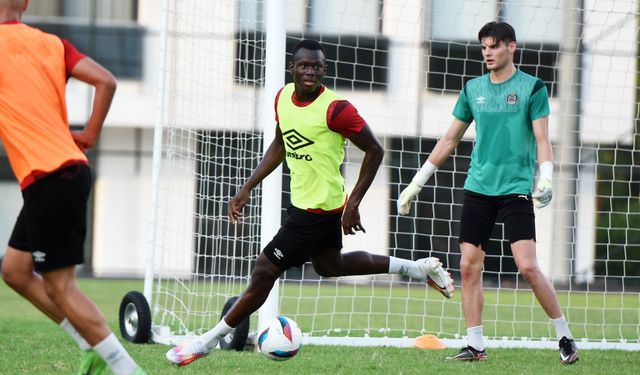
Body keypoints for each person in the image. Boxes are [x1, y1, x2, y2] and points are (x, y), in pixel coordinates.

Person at [165, 39, 455, 366]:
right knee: (330, 265)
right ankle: (417, 269)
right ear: (293, 68)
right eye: (304, 65)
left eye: (317, 66)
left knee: (264, 271)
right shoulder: (282, 99)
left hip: (316, 211)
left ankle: (206, 342)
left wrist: (354, 203)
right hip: (307, 205)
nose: (310, 71)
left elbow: (375, 149)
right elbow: (280, 143)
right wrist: (247, 187)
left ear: (324, 70)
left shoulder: (336, 109)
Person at [397, 21, 579, 365]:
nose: (488, 53)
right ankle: (475, 344)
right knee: (468, 265)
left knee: (527, 267)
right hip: (479, 187)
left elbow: (543, 140)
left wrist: (547, 176)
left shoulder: (532, 87)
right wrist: (417, 181)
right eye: (484, 47)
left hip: (515, 189)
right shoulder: (473, 89)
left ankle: (565, 336)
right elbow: (449, 139)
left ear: (512, 46)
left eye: (494, 46)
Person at [0, 1, 146, 374]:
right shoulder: (52, 44)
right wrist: (91, 134)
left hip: (49, 178)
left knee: (60, 287)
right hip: (64, 170)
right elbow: (106, 81)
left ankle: (125, 368)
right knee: (15, 271)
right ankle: (89, 343)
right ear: (26, 4)